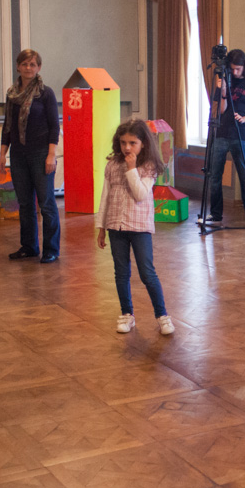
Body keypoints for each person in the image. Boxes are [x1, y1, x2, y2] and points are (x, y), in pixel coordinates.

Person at [96, 119, 175, 336]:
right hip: (116, 227)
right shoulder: (112, 165)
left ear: (143, 144)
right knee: (121, 273)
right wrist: (101, 226)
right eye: (123, 143)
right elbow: (105, 197)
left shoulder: (148, 167)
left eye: (133, 143)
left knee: (147, 273)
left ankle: (162, 316)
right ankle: (126, 314)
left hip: (140, 227)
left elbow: (140, 195)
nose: (127, 147)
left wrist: (132, 169)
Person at [0, 49, 60, 264]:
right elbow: (7, 126)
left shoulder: (46, 94)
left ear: (38, 68)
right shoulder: (11, 94)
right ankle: (29, 247)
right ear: (18, 67)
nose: (28, 68)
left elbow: (54, 126)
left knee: (46, 203)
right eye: (24, 64)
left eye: (32, 64)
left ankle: (51, 249)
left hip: (41, 155)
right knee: (25, 204)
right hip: (18, 155)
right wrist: (2, 154)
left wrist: (51, 155)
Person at [205, 48, 245, 228]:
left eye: (238, 68)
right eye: (232, 69)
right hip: (221, 133)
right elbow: (221, 110)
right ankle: (216, 215)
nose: (235, 72)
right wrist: (222, 90)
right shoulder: (224, 81)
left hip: (241, 135)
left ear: (244, 66)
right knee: (215, 176)